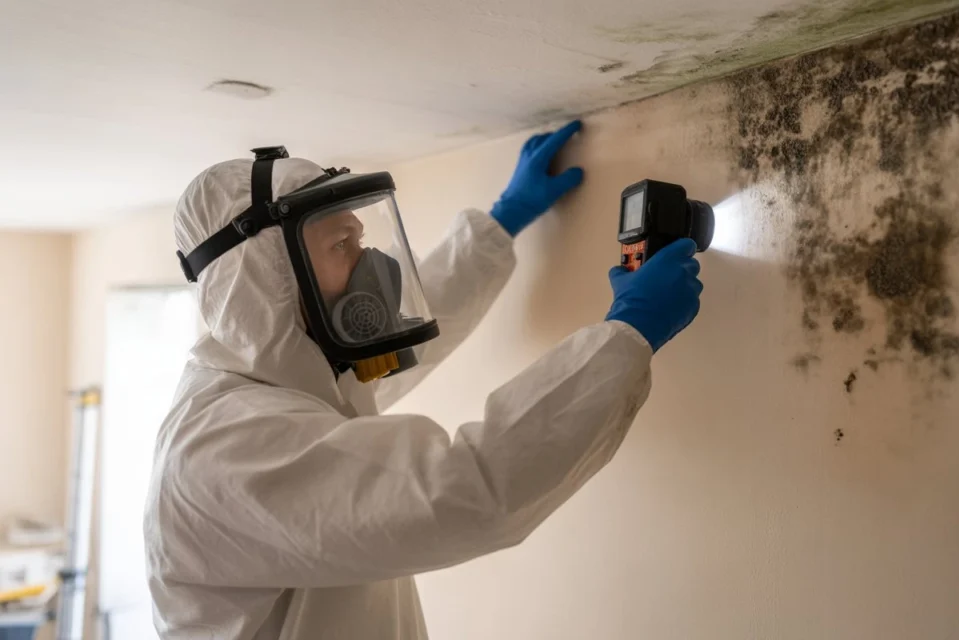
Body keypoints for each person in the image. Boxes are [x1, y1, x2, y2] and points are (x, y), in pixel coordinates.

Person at [144, 120, 704, 639]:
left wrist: (500, 223)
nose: (372, 265)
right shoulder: (226, 449)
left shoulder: (297, 378)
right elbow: (465, 488)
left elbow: (410, 331)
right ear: (267, 277)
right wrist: (626, 336)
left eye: (359, 238)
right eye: (342, 246)